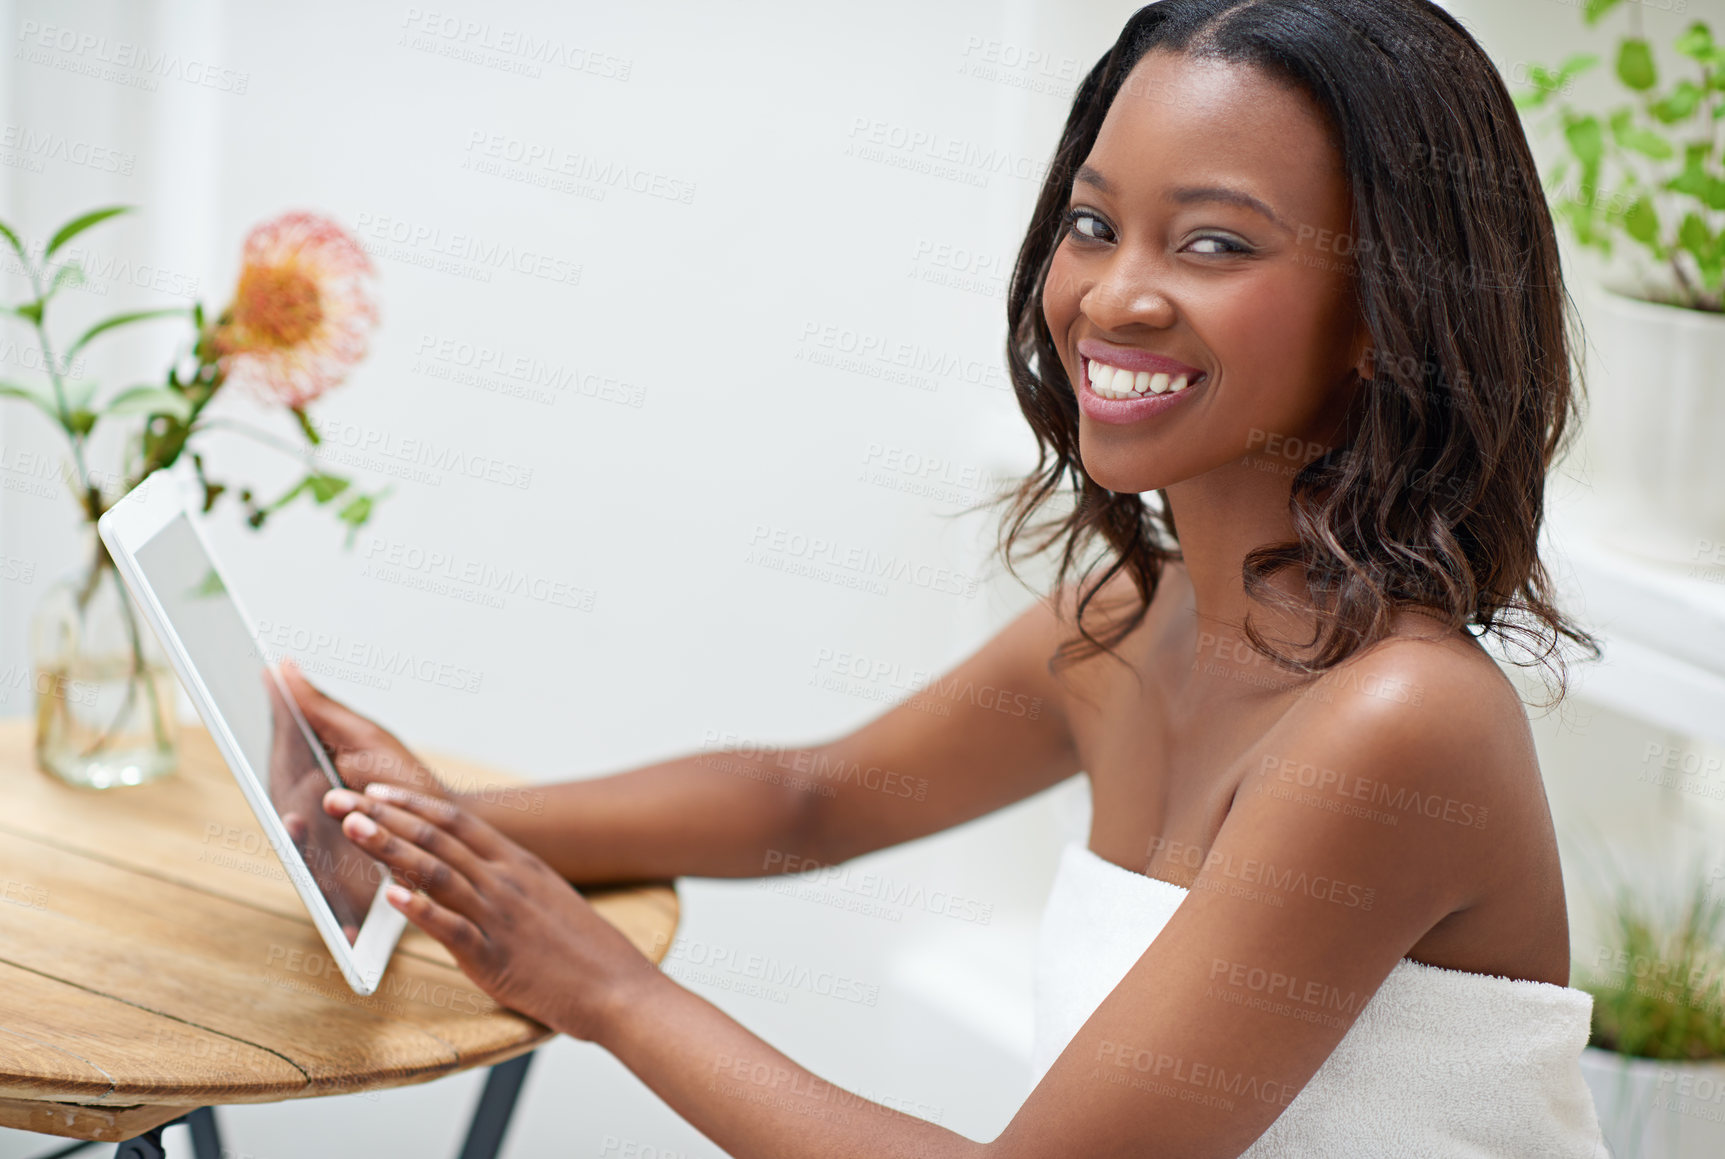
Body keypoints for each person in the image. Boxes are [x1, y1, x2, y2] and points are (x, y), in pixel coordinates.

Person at [297, 0, 1617, 1153]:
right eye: (1094, 224)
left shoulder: (1399, 725)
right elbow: (806, 799)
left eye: (1212, 244)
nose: (1112, 298)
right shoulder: (1123, 627)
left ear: (1390, 314)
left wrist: (600, 989)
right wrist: (434, 818)